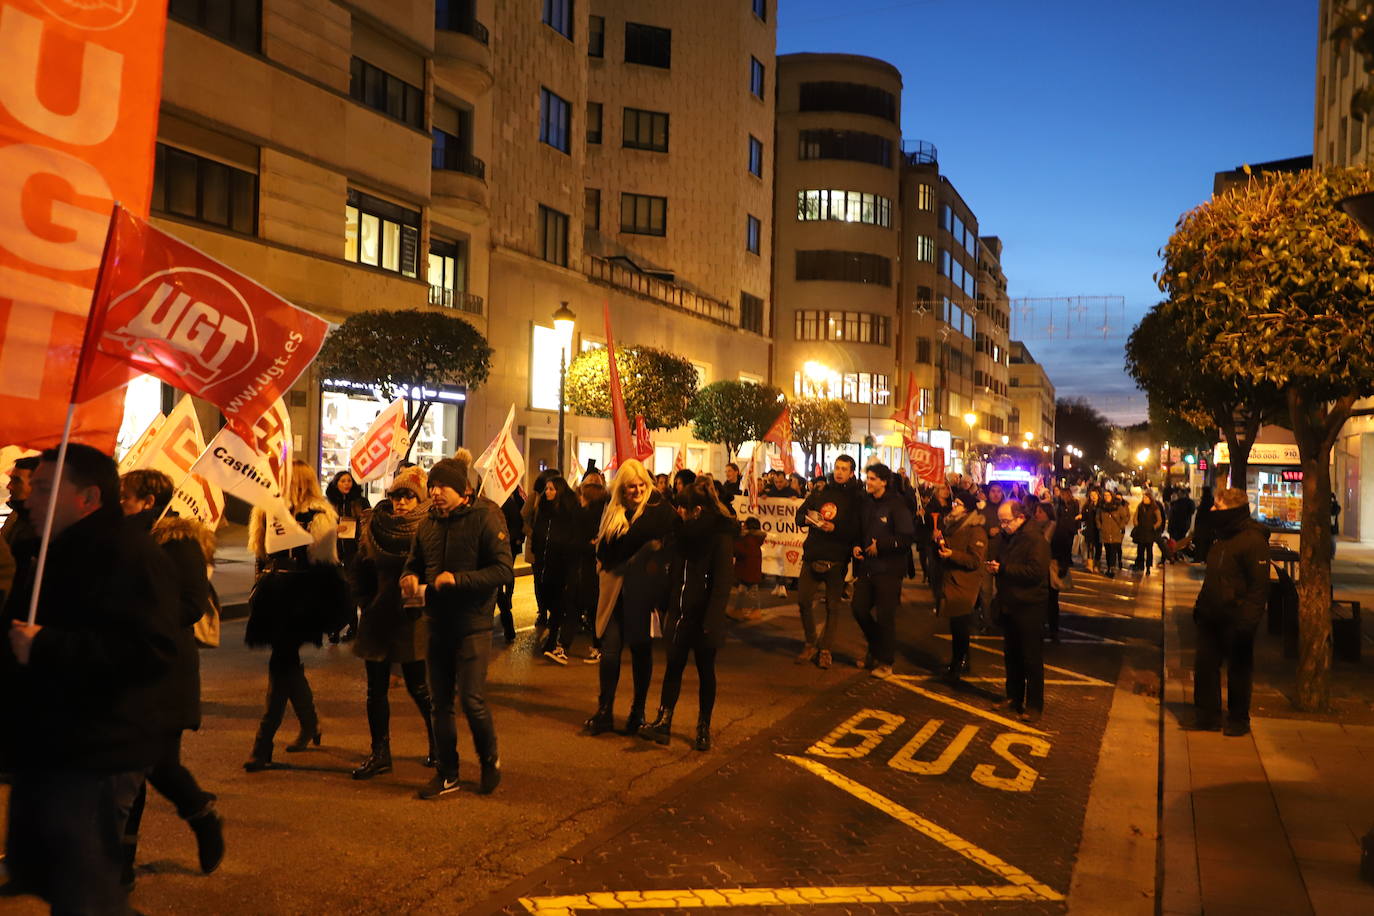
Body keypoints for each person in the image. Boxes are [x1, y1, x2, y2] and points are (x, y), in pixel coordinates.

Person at [1, 444, 179, 914]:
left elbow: (153, 653)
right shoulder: (48, 551)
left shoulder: (128, 555)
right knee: (62, 883)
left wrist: (47, 646)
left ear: (89, 497)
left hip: (98, 754)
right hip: (54, 749)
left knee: (86, 896)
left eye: (44, 488)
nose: (29, 498)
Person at [118, 469, 225, 881]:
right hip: (128, 666)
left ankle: (202, 817)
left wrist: (142, 622)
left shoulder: (178, 542)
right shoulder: (120, 541)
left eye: (125, 496)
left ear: (148, 501)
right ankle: (122, 864)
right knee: (129, 767)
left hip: (165, 668)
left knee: (159, 763)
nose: (118, 501)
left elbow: (192, 604)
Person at [400, 453, 513, 800]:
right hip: (436, 622)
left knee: (472, 699)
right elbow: (414, 562)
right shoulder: (428, 523)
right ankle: (447, 772)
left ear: (463, 490)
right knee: (439, 702)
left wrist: (459, 580)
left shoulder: (486, 516)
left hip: (473, 623)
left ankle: (489, 760)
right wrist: (408, 577)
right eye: (432, 486)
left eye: (442, 486)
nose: (435, 492)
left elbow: (502, 569)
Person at [243, 460, 350, 771]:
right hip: (276, 595)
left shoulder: (317, 514)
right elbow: (260, 553)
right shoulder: (268, 509)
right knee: (287, 665)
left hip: (301, 599)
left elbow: (325, 560)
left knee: (281, 664)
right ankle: (310, 724)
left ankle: (262, 745)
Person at [349, 466, 435, 780]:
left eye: (408, 496)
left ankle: (438, 744)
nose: (401, 502)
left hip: (411, 618)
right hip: (377, 618)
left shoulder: (429, 528)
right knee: (375, 690)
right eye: (397, 495)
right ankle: (380, 752)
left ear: (419, 499)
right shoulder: (374, 524)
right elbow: (359, 569)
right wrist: (364, 603)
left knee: (419, 687)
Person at [584, 459, 677, 736]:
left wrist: (649, 556)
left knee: (640, 650)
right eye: (630, 487)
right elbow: (603, 549)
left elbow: (671, 545)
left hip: (643, 590)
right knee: (610, 651)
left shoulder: (659, 510)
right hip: (614, 588)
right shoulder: (612, 511)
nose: (636, 491)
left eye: (640, 486)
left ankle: (638, 711)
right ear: (621, 490)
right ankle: (605, 711)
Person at [640, 480, 735, 751]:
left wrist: (712, 619)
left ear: (697, 510)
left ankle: (703, 726)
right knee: (673, 667)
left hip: (704, 616)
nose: (679, 512)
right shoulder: (680, 533)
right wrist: (662, 602)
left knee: (706, 672)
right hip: (679, 612)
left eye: (684, 508)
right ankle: (664, 720)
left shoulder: (719, 535)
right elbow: (672, 571)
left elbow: (722, 582)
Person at [1190, 488, 1270, 736]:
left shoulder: (1252, 541)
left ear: (1233, 510)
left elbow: (1258, 587)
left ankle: (1238, 719)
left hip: (1236, 619)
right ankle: (1208, 715)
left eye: (1218, 506)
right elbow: (1213, 577)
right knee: (1205, 666)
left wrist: (1248, 622)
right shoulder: (1221, 537)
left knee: (1239, 671)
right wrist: (1201, 607)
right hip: (1211, 615)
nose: (1212, 510)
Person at [794, 455, 861, 669]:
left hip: (837, 559)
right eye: (837, 467)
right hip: (812, 554)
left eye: (844, 469)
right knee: (804, 601)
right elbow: (799, 515)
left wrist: (836, 529)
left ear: (851, 473)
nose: (839, 472)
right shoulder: (821, 492)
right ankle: (810, 642)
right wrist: (810, 518)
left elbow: (857, 529)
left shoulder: (857, 498)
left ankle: (825, 649)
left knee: (833, 607)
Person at [988, 500, 1051, 723]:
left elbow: (1036, 571)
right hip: (1010, 603)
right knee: (1012, 655)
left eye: (1006, 521)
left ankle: (1034, 705)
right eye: (1001, 521)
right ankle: (1013, 696)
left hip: (1029, 605)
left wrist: (1004, 569)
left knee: (1031, 658)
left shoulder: (1035, 540)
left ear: (1020, 518)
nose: (1003, 525)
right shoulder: (1008, 538)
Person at [850, 463, 915, 679]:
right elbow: (860, 530)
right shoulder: (866, 503)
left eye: (872, 479)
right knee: (859, 608)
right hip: (868, 568)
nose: (868, 482)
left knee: (885, 616)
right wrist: (857, 545)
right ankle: (876, 647)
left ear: (883, 482)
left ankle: (885, 661)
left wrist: (883, 546)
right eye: (867, 478)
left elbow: (906, 538)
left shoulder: (897, 505)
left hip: (889, 569)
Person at [936, 493, 988, 685]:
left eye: (957, 504)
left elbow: (975, 560)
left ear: (966, 509)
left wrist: (952, 554)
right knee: (956, 625)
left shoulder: (975, 530)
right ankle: (960, 661)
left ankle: (959, 664)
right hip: (951, 581)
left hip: (965, 584)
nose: (953, 506)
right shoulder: (953, 525)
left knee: (960, 626)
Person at [533, 476, 581, 664]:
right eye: (547, 489)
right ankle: (551, 635)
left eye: (552, 489)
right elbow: (538, 533)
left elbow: (572, 540)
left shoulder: (568, 513)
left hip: (561, 565)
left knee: (558, 604)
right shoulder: (544, 510)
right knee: (547, 600)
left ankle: (553, 639)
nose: (548, 492)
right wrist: (537, 553)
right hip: (544, 564)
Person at [325, 470, 370, 643]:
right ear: (336, 483)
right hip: (334, 552)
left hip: (354, 553)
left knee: (352, 591)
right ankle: (334, 628)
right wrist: (332, 529)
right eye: (342, 481)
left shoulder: (360, 501)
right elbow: (320, 525)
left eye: (349, 480)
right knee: (335, 592)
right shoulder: (329, 503)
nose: (346, 484)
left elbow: (368, 523)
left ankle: (353, 627)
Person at [568, 473, 608, 663]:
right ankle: (563, 645)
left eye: (583, 496)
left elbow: (586, 544)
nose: (580, 499)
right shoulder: (585, 516)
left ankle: (599, 647)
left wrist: (590, 545)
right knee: (581, 607)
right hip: (585, 570)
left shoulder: (594, 519)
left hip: (593, 572)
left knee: (592, 609)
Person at [495, 487, 525, 644]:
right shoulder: (488, 504)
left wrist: (508, 539)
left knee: (502, 583)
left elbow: (515, 523)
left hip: (504, 548)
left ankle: (509, 627)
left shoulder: (504, 503)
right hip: (495, 550)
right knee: (498, 590)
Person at [729, 517, 765, 621]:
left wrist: (735, 542)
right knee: (746, 591)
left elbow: (739, 551)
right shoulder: (754, 539)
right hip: (751, 570)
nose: (742, 526)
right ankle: (741, 610)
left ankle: (742, 610)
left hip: (747, 570)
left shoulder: (748, 539)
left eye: (745, 525)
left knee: (747, 591)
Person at [1097, 489, 1130, 577]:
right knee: (1108, 551)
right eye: (1105, 496)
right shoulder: (1101, 507)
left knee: (1113, 550)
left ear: (1112, 496)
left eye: (1108, 495)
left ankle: (1112, 568)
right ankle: (1109, 567)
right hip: (1105, 532)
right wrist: (1100, 526)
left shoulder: (1118, 506)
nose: (1106, 497)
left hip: (1116, 533)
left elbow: (1125, 517)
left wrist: (1121, 526)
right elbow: (1098, 518)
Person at [1132, 490, 1164, 574]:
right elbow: (1135, 516)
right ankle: (1140, 565)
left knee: (1149, 550)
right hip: (1141, 531)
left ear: (1150, 498)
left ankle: (1148, 566)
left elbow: (1159, 520)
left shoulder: (1155, 507)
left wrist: (1154, 526)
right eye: (1143, 497)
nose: (1144, 499)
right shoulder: (1140, 506)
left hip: (1150, 532)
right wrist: (1136, 524)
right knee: (1140, 550)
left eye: (1146, 497)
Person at [1081, 488, 1103, 572]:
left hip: (1098, 530)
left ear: (1098, 496)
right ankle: (1090, 565)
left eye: (1095, 495)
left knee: (1098, 548)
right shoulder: (1087, 506)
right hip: (1089, 529)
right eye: (1091, 495)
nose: (1093, 497)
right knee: (1090, 547)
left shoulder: (1101, 506)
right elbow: (1083, 516)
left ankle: (1097, 565)